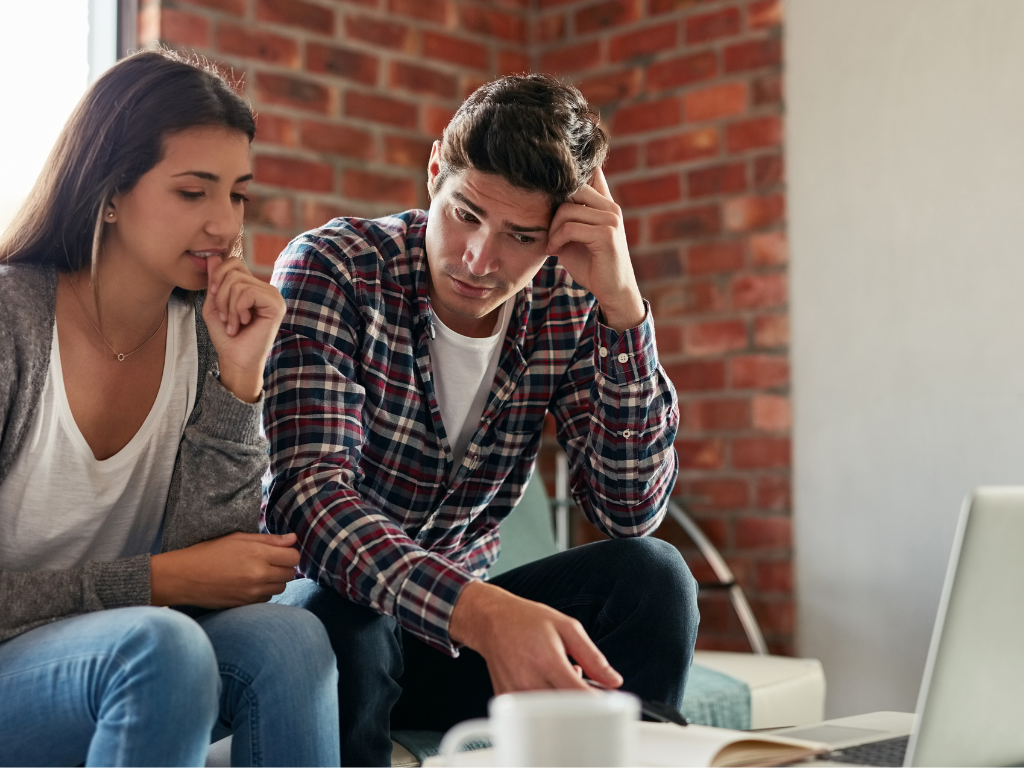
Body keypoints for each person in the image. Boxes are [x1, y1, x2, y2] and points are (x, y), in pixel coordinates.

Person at [265, 74, 698, 767]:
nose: (479, 260)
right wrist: (480, 612)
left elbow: (629, 509)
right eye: (465, 214)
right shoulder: (334, 268)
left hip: (449, 651)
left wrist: (623, 307)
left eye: (520, 236)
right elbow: (308, 502)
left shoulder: (569, 302)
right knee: (344, 621)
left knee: (653, 577)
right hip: (331, 620)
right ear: (435, 170)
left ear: (558, 232)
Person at [0, 49, 340, 768]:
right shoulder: (11, 322)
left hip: (133, 650)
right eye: (194, 192)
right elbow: (181, 583)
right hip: (34, 666)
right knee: (163, 647)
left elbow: (210, 577)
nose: (224, 224)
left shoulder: (211, 338)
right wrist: (156, 581)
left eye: (238, 195)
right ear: (111, 191)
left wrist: (239, 382)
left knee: (290, 638)